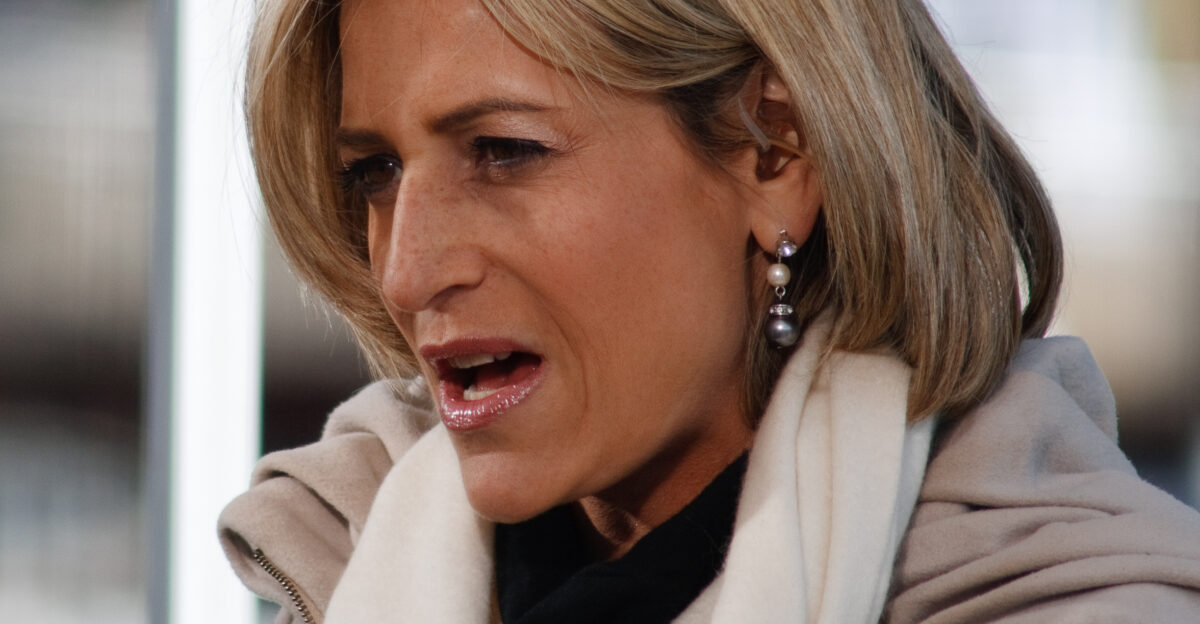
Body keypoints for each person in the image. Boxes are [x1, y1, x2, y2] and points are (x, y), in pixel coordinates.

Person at [218, 0, 1200, 622]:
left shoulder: (1074, 601)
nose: (406, 270)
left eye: (503, 152)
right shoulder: (337, 556)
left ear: (776, 152)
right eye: (374, 172)